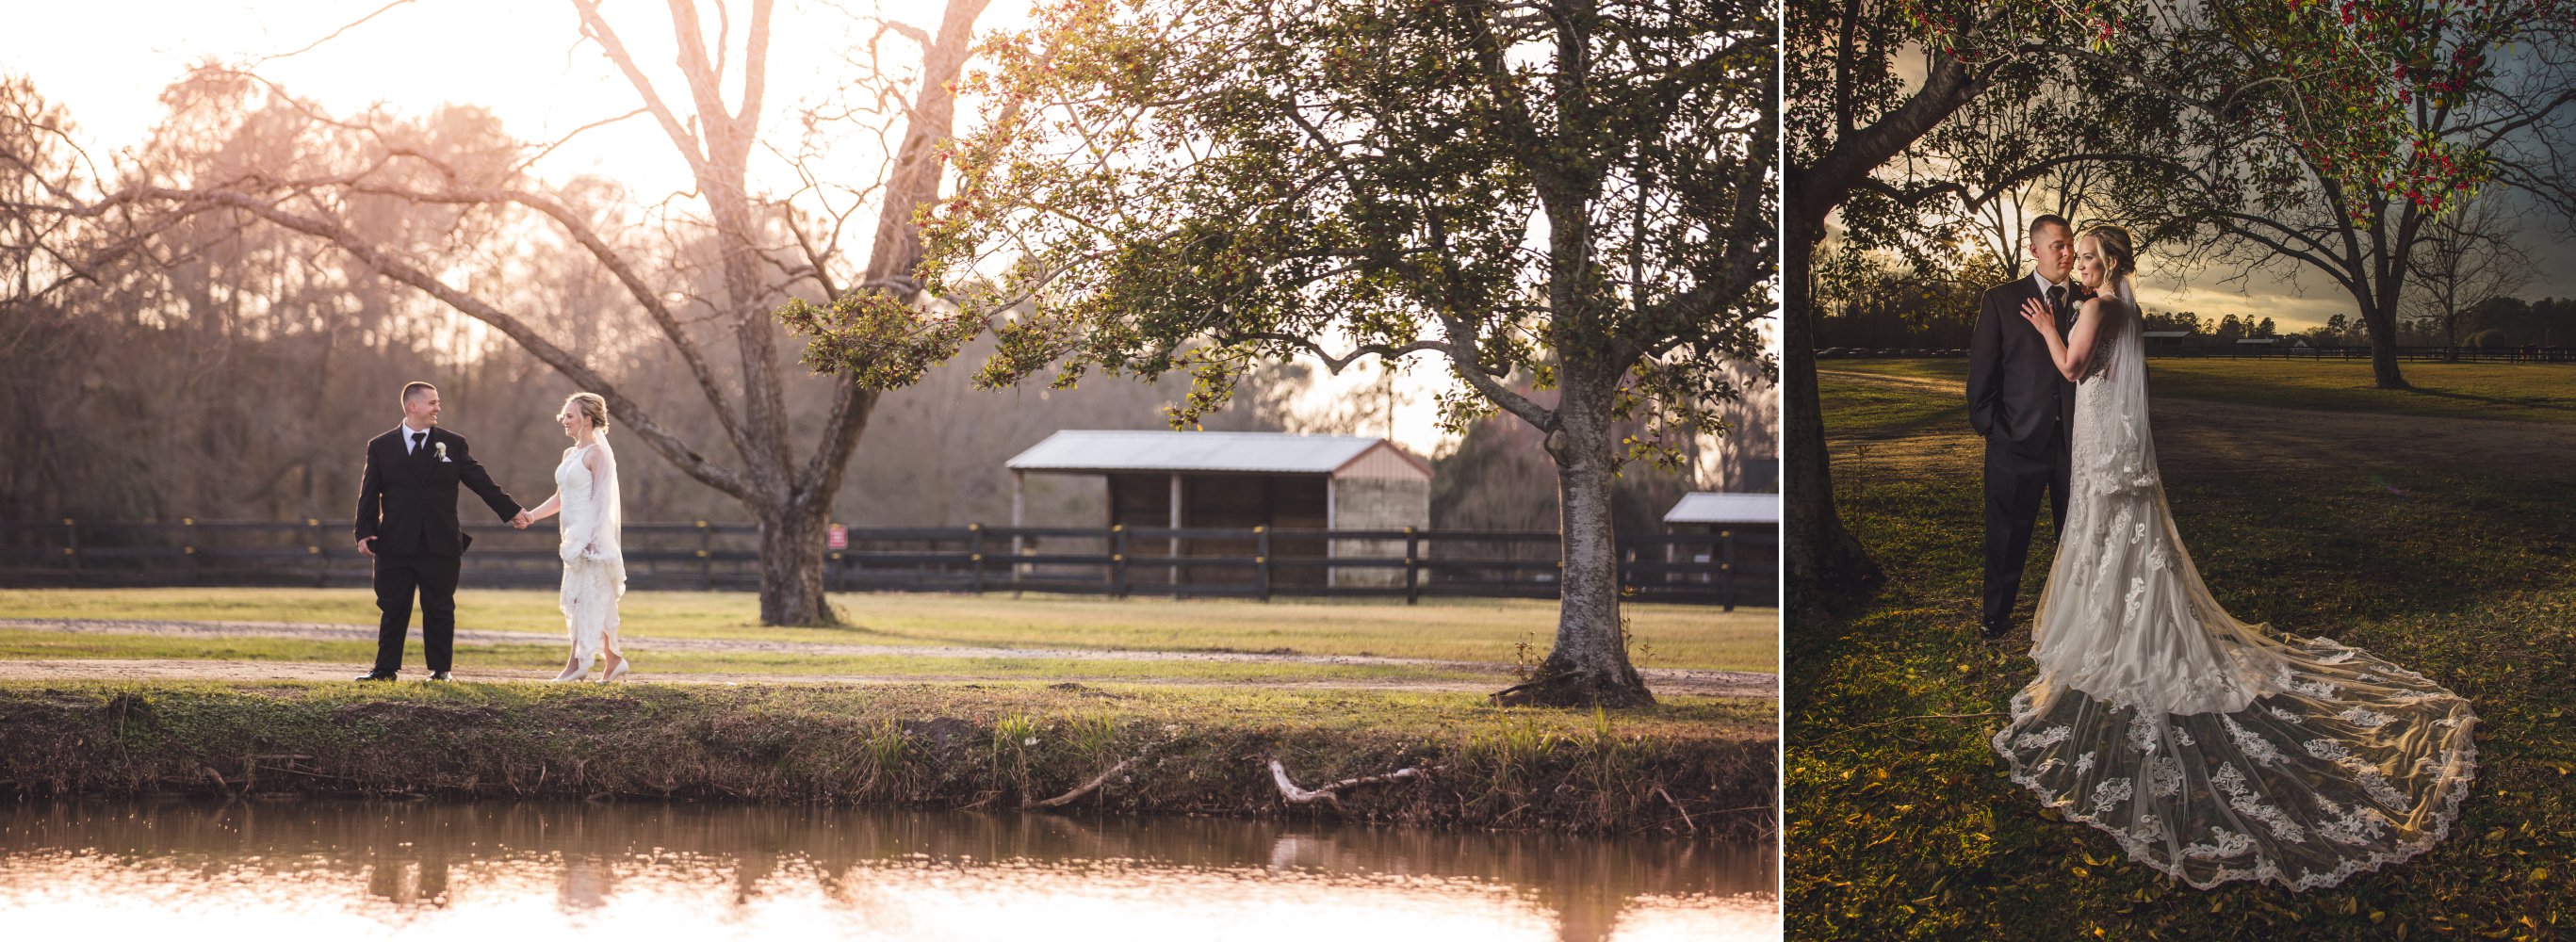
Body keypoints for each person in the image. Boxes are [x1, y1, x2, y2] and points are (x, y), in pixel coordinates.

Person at [1990, 225, 2477, 890]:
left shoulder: (2100, 307)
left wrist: (2049, 326)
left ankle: (2117, 638)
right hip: (2114, 450)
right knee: (2130, 552)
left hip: (2104, 453)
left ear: (2107, 264)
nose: (2076, 264)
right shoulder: (2125, 307)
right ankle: (2124, 630)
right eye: (2072, 256)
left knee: (2113, 547)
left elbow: (2073, 369)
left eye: (2085, 257)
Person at [352, 381, 530, 681]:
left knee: (440, 608)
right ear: (413, 406)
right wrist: (364, 530)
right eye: (433, 402)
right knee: (393, 606)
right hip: (394, 541)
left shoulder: (453, 443)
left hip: (441, 542)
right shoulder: (381, 446)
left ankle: (440, 670)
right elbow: (368, 492)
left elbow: (480, 481)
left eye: (438, 402)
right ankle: (385, 668)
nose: (438, 407)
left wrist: (511, 510)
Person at [1968, 214, 2080, 641]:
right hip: (2014, 443)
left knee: (2074, 535)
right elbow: (1982, 376)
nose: (2067, 253)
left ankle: (2072, 617)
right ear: (2034, 250)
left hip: (2074, 444)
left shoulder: (2088, 301)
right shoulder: (2000, 300)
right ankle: (1996, 616)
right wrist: (1992, 429)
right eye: (2058, 245)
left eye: (2070, 244)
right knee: (2007, 535)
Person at [519, 392, 630, 682]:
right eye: (563, 415)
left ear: (587, 419)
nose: (563, 421)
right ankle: (614, 660)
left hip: (590, 540)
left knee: (584, 600)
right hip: (570, 538)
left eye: (569, 416)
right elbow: (560, 497)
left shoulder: (598, 454)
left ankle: (577, 665)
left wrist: (589, 539)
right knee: (594, 600)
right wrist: (532, 515)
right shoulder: (570, 455)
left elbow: (601, 501)